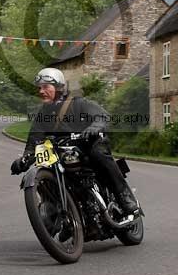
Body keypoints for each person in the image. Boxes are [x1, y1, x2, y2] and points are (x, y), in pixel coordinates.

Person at [10, 67, 139, 215]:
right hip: (62, 153)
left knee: (98, 153)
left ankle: (123, 195)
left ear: (58, 87)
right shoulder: (43, 113)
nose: (41, 91)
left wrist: (94, 128)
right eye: (39, 88)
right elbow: (35, 139)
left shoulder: (77, 103)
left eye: (45, 87)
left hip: (87, 145)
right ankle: (60, 214)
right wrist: (25, 158)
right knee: (47, 171)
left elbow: (101, 116)